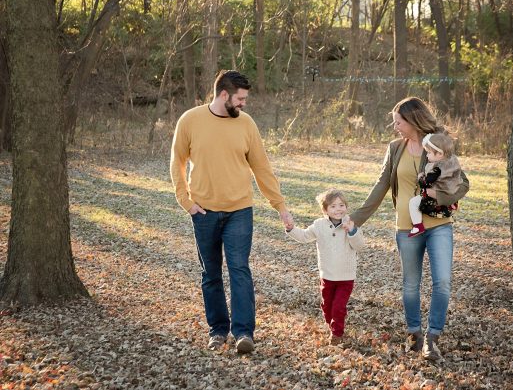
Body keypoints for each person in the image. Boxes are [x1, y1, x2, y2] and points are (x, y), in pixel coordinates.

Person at [170, 70, 293, 354]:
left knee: (239, 269)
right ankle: (217, 330)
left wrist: (281, 207)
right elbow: (176, 162)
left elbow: (262, 168)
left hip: (239, 210)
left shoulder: (246, 124)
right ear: (224, 95)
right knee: (210, 273)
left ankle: (243, 333)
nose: (243, 103)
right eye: (240, 98)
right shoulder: (190, 120)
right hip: (204, 212)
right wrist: (186, 201)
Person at [348, 97, 469, 361]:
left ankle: (432, 338)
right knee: (410, 285)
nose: (395, 127)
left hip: (438, 225)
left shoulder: (436, 144)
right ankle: (414, 333)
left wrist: (439, 199)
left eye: (399, 122)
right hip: (406, 227)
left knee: (443, 282)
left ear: (413, 120)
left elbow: (463, 183)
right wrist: (355, 219)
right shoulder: (395, 148)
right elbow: (382, 185)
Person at [285, 189, 365, 346]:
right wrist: (291, 229)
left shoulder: (350, 224)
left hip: (345, 276)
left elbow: (360, 246)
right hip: (327, 275)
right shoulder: (319, 225)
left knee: (338, 307)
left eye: (341, 205)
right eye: (333, 206)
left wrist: (352, 232)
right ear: (325, 210)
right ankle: (331, 325)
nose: (338, 209)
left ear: (346, 207)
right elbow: (303, 236)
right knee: (327, 306)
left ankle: (337, 333)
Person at [408, 132, 463, 237]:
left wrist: (420, 177)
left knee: (413, 202)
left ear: (439, 154)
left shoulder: (437, 168)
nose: (427, 155)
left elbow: (426, 183)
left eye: (428, 152)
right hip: (448, 195)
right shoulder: (452, 163)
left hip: (434, 199)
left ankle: (418, 226)